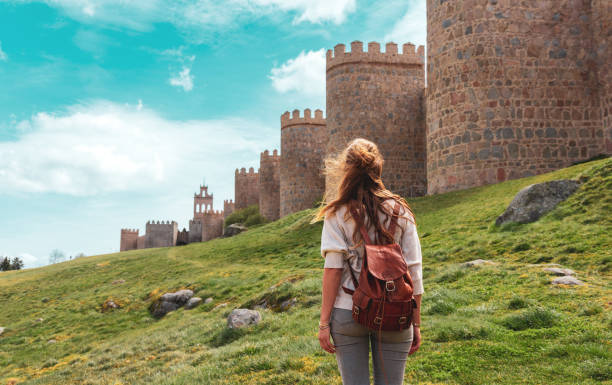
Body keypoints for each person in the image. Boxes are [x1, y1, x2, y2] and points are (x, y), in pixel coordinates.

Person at [314, 138, 424, 385]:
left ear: (347, 169)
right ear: (378, 168)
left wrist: (324, 323)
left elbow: (333, 270)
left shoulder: (337, 213)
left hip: (348, 310)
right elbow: (414, 272)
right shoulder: (401, 212)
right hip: (396, 312)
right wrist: (416, 323)